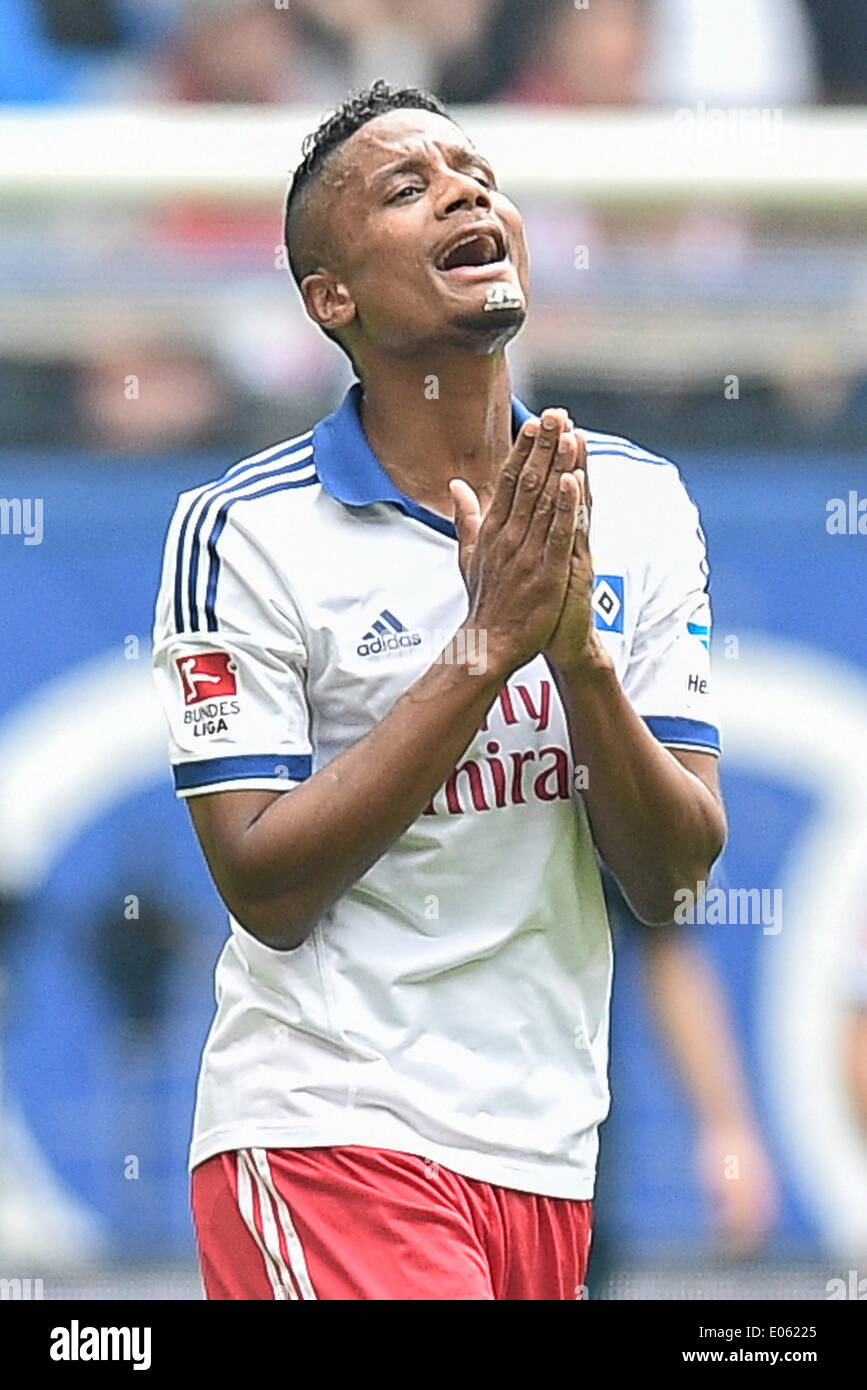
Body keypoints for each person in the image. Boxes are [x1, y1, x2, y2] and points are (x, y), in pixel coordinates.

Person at [152, 81, 726, 1301]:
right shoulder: (241, 532)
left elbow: (672, 882)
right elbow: (268, 886)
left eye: (477, 174)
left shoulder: (635, 504)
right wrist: (482, 650)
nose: (466, 192)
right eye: (407, 188)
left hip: (547, 1163)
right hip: (325, 1135)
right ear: (333, 296)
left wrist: (574, 655)